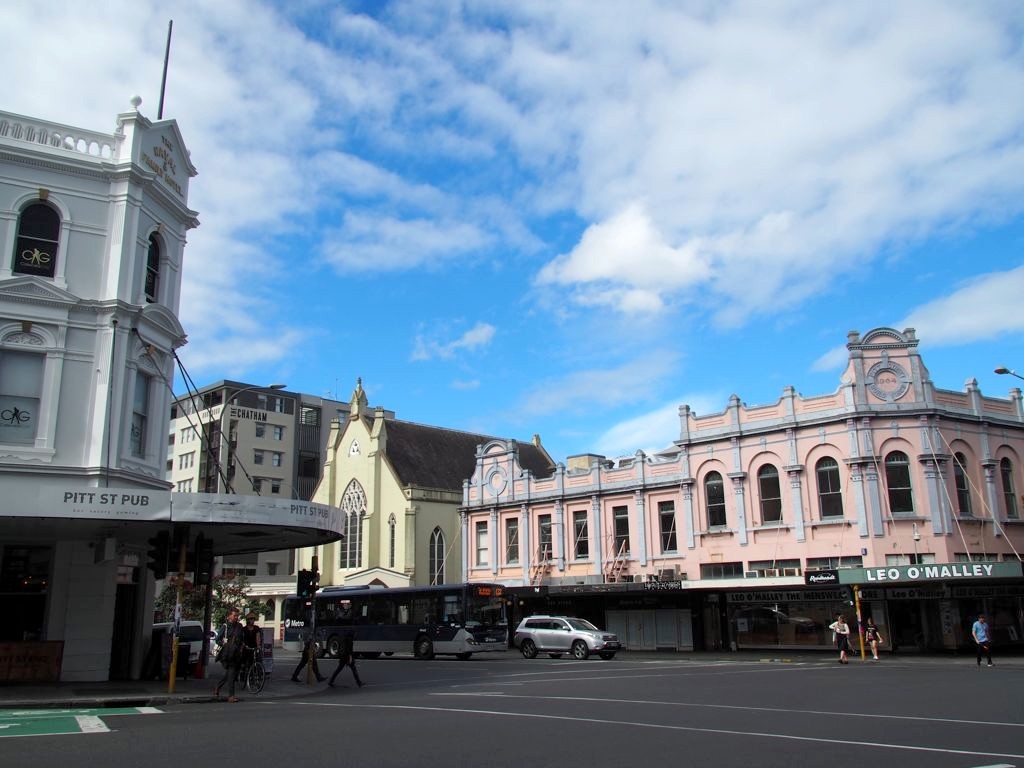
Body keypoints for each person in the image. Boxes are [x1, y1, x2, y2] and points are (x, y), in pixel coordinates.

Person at [214, 607, 244, 702]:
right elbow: (218, 639)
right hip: (227, 654)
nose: (236, 617)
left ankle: (218, 687)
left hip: (236, 654)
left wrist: (241, 647)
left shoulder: (239, 626)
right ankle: (231, 696)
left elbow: (241, 639)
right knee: (231, 672)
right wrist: (224, 643)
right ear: (229, 616)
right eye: (234, 615)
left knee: (230, 673)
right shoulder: (225, 626)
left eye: (237, 616)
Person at [240, 612, 263, 679]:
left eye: (253, 619)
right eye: (251, 619)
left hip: (254, 647)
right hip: (246, 647)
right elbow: (242, 638)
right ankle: (242, 672)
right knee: (244, 660)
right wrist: (243, 645)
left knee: (257, 660)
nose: (252, 621)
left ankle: (257, 673)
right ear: (248, 620)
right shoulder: (244, 629)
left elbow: (258, 637)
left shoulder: (256, 628)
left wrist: (258, 646)